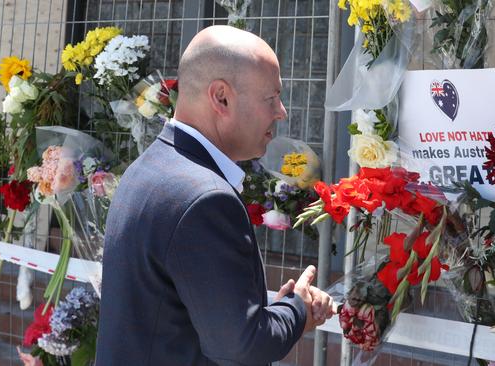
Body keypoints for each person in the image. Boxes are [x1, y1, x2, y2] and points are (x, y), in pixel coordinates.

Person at [95, 25, 335, 366]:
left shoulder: (149, 169)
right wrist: (298, 308)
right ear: (220, 97)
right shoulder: (205, 198)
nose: (281, 112)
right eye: (272, 98)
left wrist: (278, 313)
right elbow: (241, 346)